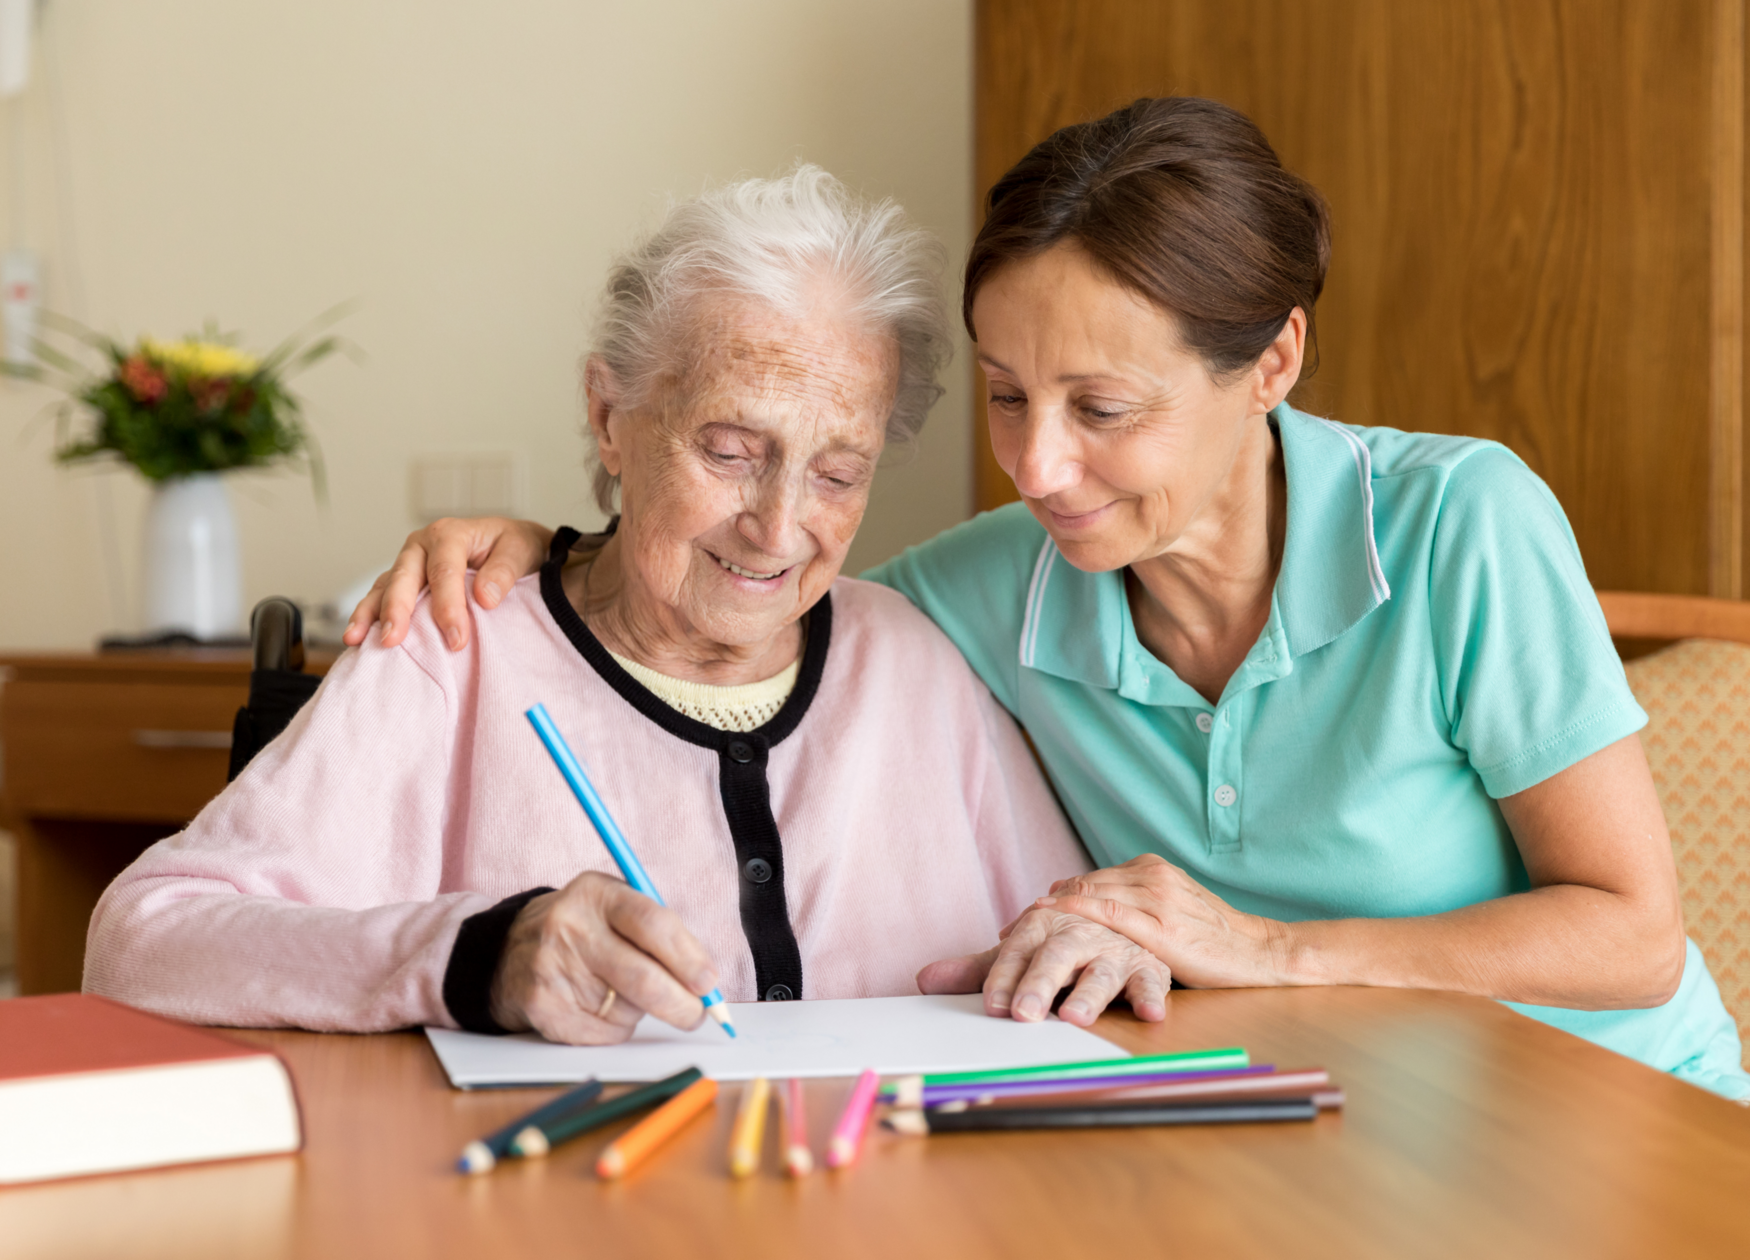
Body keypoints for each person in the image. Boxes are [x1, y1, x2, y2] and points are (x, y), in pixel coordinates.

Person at [360, 99, 1750, 1098]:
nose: (1037, 465)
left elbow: (1628, 935)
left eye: (1100, 408)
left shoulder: (1461, 526)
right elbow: (749, 597)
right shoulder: (993, 584)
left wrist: (1260, 946)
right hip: (1303, 1117)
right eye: (1010, 396)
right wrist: (557, 540)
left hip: (1602, 1105)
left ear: (1271, 363)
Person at [84, 166, 1148, 1044]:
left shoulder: (911, 662)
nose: (777, 527)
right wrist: (473, 955)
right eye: (731, 452)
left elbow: (1083, 931)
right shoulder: (455, 642)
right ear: (611, 416)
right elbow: (140, 935)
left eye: (836, 472)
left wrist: (1104, 949)